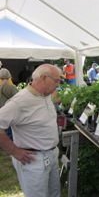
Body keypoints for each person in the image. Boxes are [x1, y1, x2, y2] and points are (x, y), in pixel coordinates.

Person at [0, 64, 61, 197]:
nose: (58, 85)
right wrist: (15, 151)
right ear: (44, 78)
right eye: (56, 81)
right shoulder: (20, 101)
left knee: (54, 193)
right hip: (33, 160)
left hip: (51, 155)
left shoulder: (45, 95)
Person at [0, 68, 19, 140]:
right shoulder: (10, 86)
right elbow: (18, 98)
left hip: (1, 110)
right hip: (9, 111)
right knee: (10, 131)